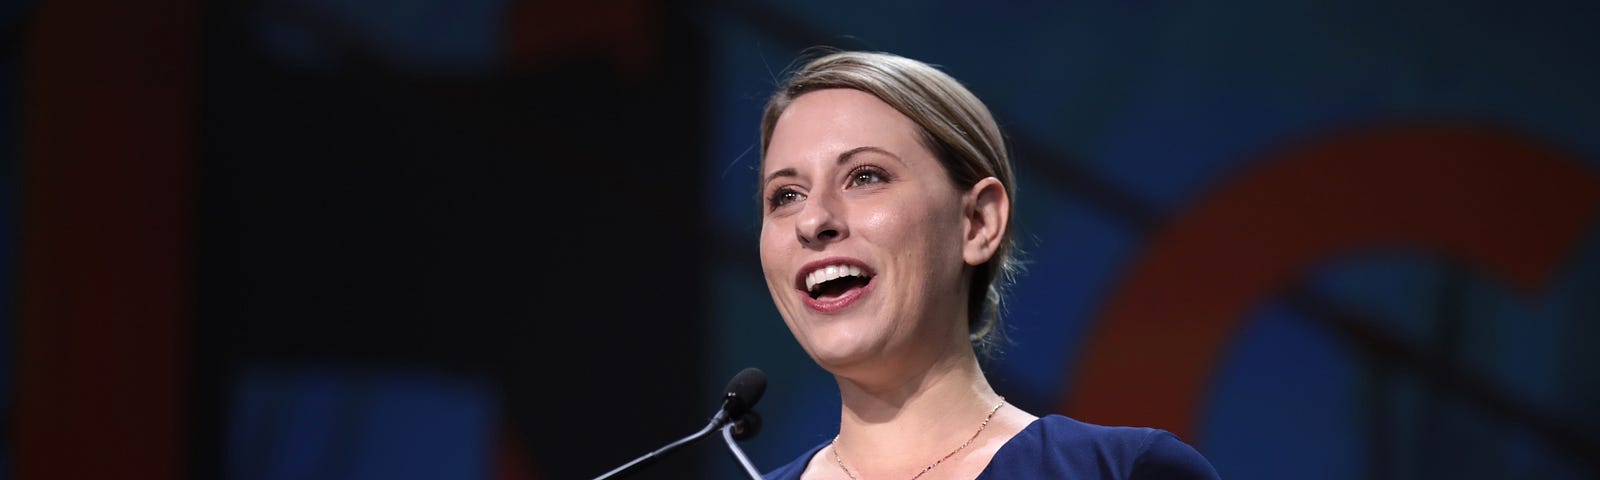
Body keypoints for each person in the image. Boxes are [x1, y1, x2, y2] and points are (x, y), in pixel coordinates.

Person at [754, 49, 1222, 479]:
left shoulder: (1114, 471)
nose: (813, 220)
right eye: (786, 196)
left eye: (865, 176)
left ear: (978, 221)